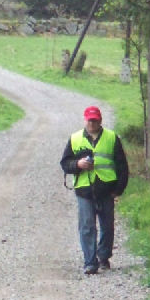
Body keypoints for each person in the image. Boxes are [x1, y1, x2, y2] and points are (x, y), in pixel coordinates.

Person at [60, 105, 129, 275]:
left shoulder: (112, 138)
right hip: (84, 190)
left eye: (95, 120)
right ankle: (90, 262)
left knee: (107, 226)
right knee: (87, 226)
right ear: (85, 120)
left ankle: (104, 257)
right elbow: (65, 164)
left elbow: (122, 167)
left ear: (100, 121)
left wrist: (118, 190)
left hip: (106, 189)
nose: (92, 123)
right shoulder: (75, 138)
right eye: (89, 120)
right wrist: (78, 164)